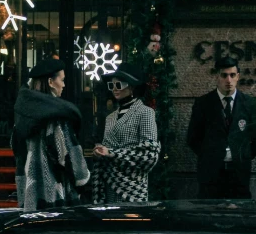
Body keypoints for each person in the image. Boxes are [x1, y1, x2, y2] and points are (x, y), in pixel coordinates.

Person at [12, 58, 90, 210]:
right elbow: (70, 159)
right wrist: (85, 181)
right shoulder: (57, 117)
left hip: (30, 196)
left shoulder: (22, 114)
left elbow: (17, 151)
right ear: (50, 82)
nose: (64, 85)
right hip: (55, 197)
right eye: (62, 80)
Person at [187, 56, 256, 199]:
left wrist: (242, 156)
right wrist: (210, 156)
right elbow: (193, 138)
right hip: (211, 174)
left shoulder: (249, 104)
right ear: (217, 76)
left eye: (232, 75)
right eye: (224, 75)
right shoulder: (203, 103)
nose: (228, 80)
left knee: (239, 214)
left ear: (238, 77)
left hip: (239, 174)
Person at [91, 63, 160, 203]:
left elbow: (149, 155)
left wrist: (112, 153)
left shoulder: (145, 112)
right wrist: (100, 151)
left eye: (119, 85)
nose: (115, 89)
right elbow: (107, 147)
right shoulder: (110, 117)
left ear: (131, 86)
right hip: (109, 185)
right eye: (112, 85)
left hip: (133, 187)